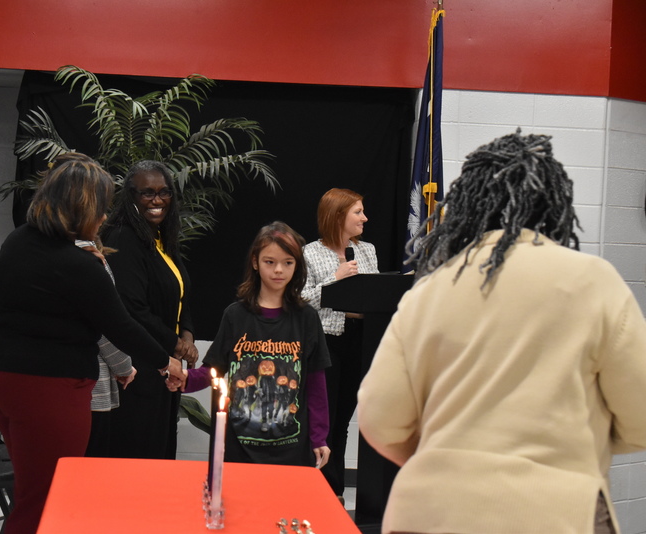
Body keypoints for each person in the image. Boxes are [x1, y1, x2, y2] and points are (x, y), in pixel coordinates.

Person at [357, 130, 646, 534]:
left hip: (428, 511)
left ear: (466, 206)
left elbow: (380, 419)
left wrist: (447, 455)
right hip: (556, 513)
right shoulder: (593, 281)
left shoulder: (430, 289)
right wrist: (575, 440)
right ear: (553, 204)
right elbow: (640, 416)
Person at [0, 152, 183, 534]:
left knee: (32, 490)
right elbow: (119, 324)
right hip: (46, 387)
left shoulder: (18, 241)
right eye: (101, 208)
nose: (105, 217)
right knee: (46, 498)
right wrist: (164, 361)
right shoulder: (79, 264)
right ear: (81, 207)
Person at [176, 221, 332, 468]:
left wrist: (319, 437)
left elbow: (316, 385)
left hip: (292, 449)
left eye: (288, 263)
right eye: (270, 262)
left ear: (297, 266)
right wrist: (183, 378)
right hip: (239, 448)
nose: (278, 270)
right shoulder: (235, 316)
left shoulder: (307, 318)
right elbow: (213, 371)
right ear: (255, 262)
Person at [101, 160, 199, 459]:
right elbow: (132, 308)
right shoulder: (122, 238)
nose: (157, 200)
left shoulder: (162, 240)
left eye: (164, 192)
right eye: (147, 193)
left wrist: (188, 335)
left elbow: (179, 295)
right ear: (130, 197)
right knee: (138, 457)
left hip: (164, 366)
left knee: (160, 453)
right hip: (138, 366)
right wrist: (175, 345)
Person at [301, 188, 379, 498]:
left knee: (344, 416)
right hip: (326, 342)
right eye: (358, 212)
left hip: (361, 339)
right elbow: (298, 299)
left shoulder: (368, 250)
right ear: (337, 216)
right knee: (323, 417)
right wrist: (335, 280)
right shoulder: (309, 253)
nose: (365, 217)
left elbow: (374, 292)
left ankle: (334, 490)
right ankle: (316, 486)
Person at [74, 238, 137, 458]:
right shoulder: (87, 254)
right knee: (88, 472)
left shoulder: (43, 250)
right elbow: (104, 324)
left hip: (53, 381)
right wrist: (124, 366)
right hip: (88, 382)